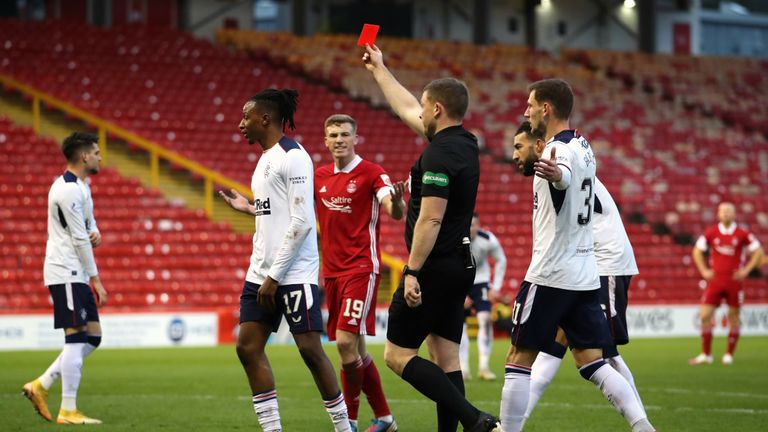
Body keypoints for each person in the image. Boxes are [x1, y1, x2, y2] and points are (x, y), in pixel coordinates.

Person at [500, 83, 654, 432]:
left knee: (518, 359)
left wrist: (557, 176)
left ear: (547, 108)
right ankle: (644, 427)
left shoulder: (556, 151)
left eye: (530, 105)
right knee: (593, 363)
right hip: (584, 276)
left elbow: (563, 175)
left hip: (552, 272)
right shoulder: (584, 145)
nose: (526, 111)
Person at [362, 44, 499, 432]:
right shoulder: (464, 144)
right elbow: (405, 107)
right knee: (446, 358)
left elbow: (431, 219)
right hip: (460, 264)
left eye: (425, 106)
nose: (418, 112)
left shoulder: (439, 156)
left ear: (437, 109)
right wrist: (379, 70)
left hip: (435, 267)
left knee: (397, 355)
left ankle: (476, 420)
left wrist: (411, 271)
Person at [219, 89, 351, 432]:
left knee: (310, 350)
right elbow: (276, 214)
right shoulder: (265, 158)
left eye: (246, 117)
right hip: (260, 271)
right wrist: (249, 209)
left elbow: (303, 221)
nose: (240, 124)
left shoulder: (294, 156)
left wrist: (274, 277)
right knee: (247, 347)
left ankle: (343, 427)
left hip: (291, 275)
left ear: (265, 118)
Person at [315, 113, 406, 432]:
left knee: (343, 344)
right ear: (325, 141)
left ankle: (348, 421)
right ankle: (384, 418)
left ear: (356, 139)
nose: (339, 139)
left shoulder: (372, 173)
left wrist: (397, 203)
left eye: (344, 134)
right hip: (331, 273)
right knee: (357, 349)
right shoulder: (319, 176)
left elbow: (391, 206)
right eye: (333, 135)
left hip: (360, 269)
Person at [22, 132, 107, 425]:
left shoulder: (83, 187)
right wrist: (96, 279)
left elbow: (88, 228)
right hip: (67, 271)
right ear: (84, 156)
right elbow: (78, 238)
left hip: (75, 272)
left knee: (92, 337)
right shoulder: (67, 190)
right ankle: (68, 410)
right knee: (76, 338)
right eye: (96, 152)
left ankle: (41, 385)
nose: (99, 156)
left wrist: (96, 233)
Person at [689, 202, 763, 365]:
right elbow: (697, 251)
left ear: (734, 214)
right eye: (723, 211)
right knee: (705, 315)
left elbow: (758, 252)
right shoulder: (712, 232)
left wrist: (746, 271)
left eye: (729, 211)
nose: (726, 213)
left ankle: (729, 354)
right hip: (715, 280)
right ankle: (706, 354)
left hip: (734, 281)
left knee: (734, 317)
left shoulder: (742, 233)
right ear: (718, 214)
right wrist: (704, 270)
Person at [459, 213, 507, 381]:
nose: (472, 228)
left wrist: (496, 287)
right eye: (469, 225)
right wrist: (460, 293)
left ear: (478, 226)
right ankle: (463, 368)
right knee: (460, 326)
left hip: (481, 281)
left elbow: (501, 260)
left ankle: (484, 367)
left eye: (474, 225)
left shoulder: (487, 239)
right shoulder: (455, 240)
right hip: (460, 283)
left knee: (485, 320)